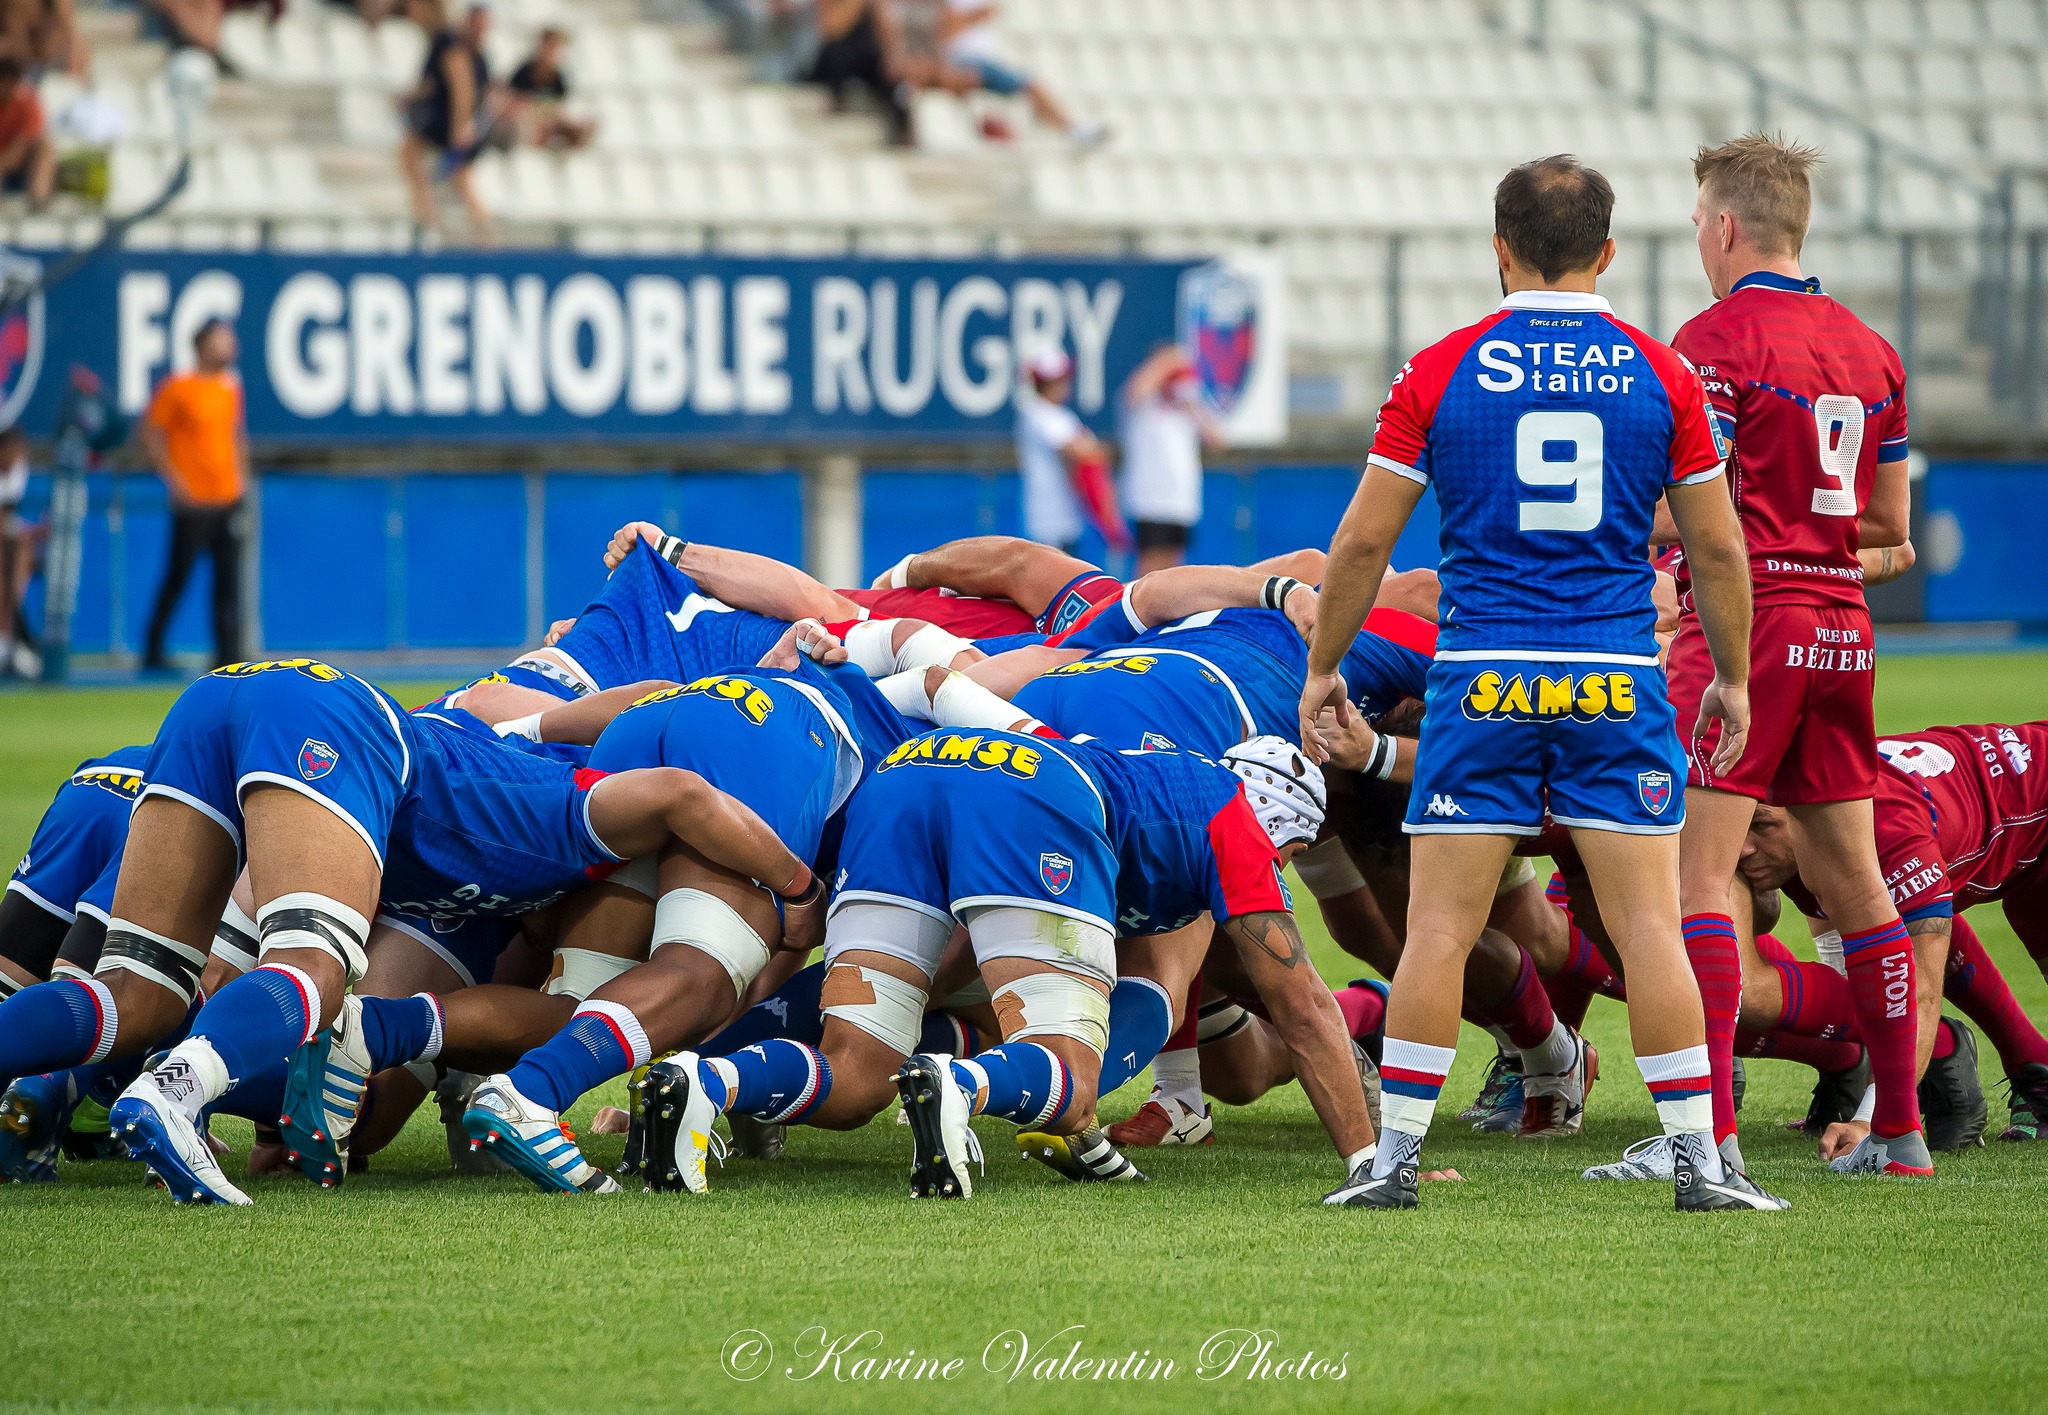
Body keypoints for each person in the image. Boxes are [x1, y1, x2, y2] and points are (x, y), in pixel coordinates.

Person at [1301, 155, 1785, 1212]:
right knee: (1651, 924)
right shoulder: (1662, 374)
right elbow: (1715, 550)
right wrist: (1734, 679)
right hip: (1614, 674)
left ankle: (1389, 1165)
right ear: (1607, 252)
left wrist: (1325, 665)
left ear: (1498, 247)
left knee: (1436, 926)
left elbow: (1361, 542)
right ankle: (1701, 1164)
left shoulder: (1437, 369)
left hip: (1482, 674)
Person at [1660, 134, 1923, 1178]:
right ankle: (1899, 1131)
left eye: (1695, 226)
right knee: (1855, 881)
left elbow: (1692, 506)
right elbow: (1886, 522)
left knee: (1695, 874)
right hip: (1839, 625)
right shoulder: (1870, 349)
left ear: (1724, 226)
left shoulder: (1710, 340)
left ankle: (1707, 1140)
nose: (1696, 242)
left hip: (1746, 618)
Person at [140, 317, 246, 672]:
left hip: (226, 498)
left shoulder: (230, 388)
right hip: (193, 501)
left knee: (227, 582)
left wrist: (241, 479)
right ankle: (153, 648)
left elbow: (235, 436)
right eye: (222, 338)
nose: (230, 344)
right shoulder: (178, 388)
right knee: (178, 577)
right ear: (202, 346)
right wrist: (174, 480)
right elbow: (151, 433)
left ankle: (228, 656)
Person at [936, 0, 1104, 149]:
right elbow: (941, 35)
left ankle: (1070, 130)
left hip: (978, 61)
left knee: (1028, 86)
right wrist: (973, 17)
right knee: (1028, 85)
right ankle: (1072, 130)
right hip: (965, 61)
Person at [1120, 344, 1224, 576]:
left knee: (1172, 572)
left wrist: (1191, 405)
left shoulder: (1186, 410)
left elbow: (1217, 440)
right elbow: (1136, 390)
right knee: (1148, 571)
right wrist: (1166, 361)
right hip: (1151, 503)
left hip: (1181, 503)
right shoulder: (1144, 406)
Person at [398, 0, 493, 245]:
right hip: (454, 124)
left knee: (418, 156)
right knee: (458, 178)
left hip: (451, 125)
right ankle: (485, 240)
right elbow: (432, 82)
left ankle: (429, 221)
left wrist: (460, 128)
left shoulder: (447, 42)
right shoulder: (443, 41)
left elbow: (462, 86)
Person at [1016, 351, 1121, 557]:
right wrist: (1103, 451)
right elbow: (1078, 451)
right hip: (1046, 520)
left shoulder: (1064, 416)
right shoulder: (1034, 413)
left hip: (1069, 517)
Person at [804, 0, 913, 148]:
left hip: (864, 56)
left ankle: (902, 131)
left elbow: (887, 31)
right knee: (839, 53)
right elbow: (830, 30)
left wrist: (893, 60)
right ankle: (837, 101)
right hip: (829, 60)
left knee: (895, 84)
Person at [505, 26, 592, 150]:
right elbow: (513, 103)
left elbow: (559, 107)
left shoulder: (559, 78)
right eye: (550, 46)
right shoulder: (524, 72)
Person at [0, 425, 40, 677]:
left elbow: (8, 518)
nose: (15, 458)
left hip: (8, 538)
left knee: (18, 552)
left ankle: (9, 639)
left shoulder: (19, 471)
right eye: (11, 452)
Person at [0, 56, 54, 207]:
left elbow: (25, 141)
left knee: (45, 146)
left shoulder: (28, 102)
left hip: (17, 162)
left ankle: (38, 201)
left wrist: (2, 163)